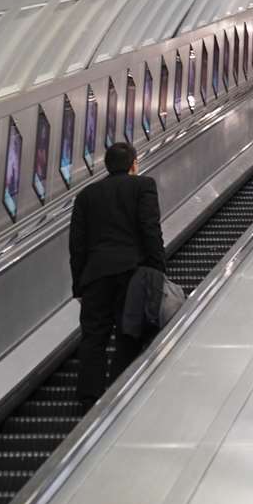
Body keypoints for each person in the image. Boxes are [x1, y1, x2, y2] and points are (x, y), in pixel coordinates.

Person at [69, 141, 166, 403]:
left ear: (107, 166)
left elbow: (77, 245)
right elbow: (150, 228)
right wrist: (158, 269)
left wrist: (79, 285)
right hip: (131, 273)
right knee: (128, 332)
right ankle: (118, 395)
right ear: (134, 164)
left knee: (93, 338)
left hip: (95, 276)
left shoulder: (86, 196)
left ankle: (88, 400)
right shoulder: (143, 186)